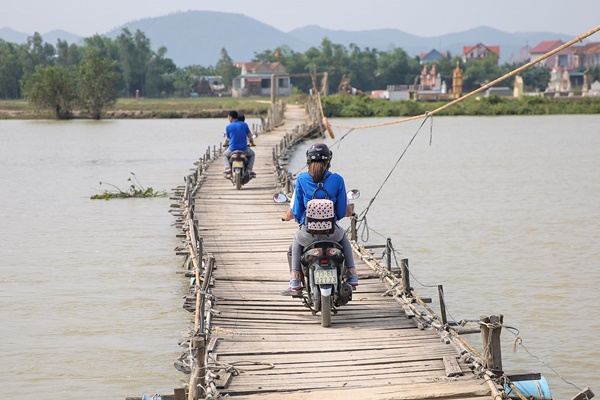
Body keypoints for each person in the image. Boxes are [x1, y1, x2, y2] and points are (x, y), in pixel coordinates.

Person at [283, 142, 358, 291]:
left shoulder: (302, 179)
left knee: (296, 241)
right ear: (328, 161)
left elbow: (296, 211)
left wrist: (297, 220)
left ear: (308, 160)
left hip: (308, 234)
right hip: (332, 234)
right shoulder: (337, 180)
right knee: (344, 238)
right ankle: (352, 272)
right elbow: (343, 210)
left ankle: (295, 277)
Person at [223, 110, 255, 179]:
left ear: (231, 117)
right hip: (244, 149)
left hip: (232, 149)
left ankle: (228, 169)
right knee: (252, 154)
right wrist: (252, 143)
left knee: (225, 155)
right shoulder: (244, 124)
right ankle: (249, 169)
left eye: (228, 117)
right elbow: (250, 136)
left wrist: (224, 144)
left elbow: (227, 139)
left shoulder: (228, 126)